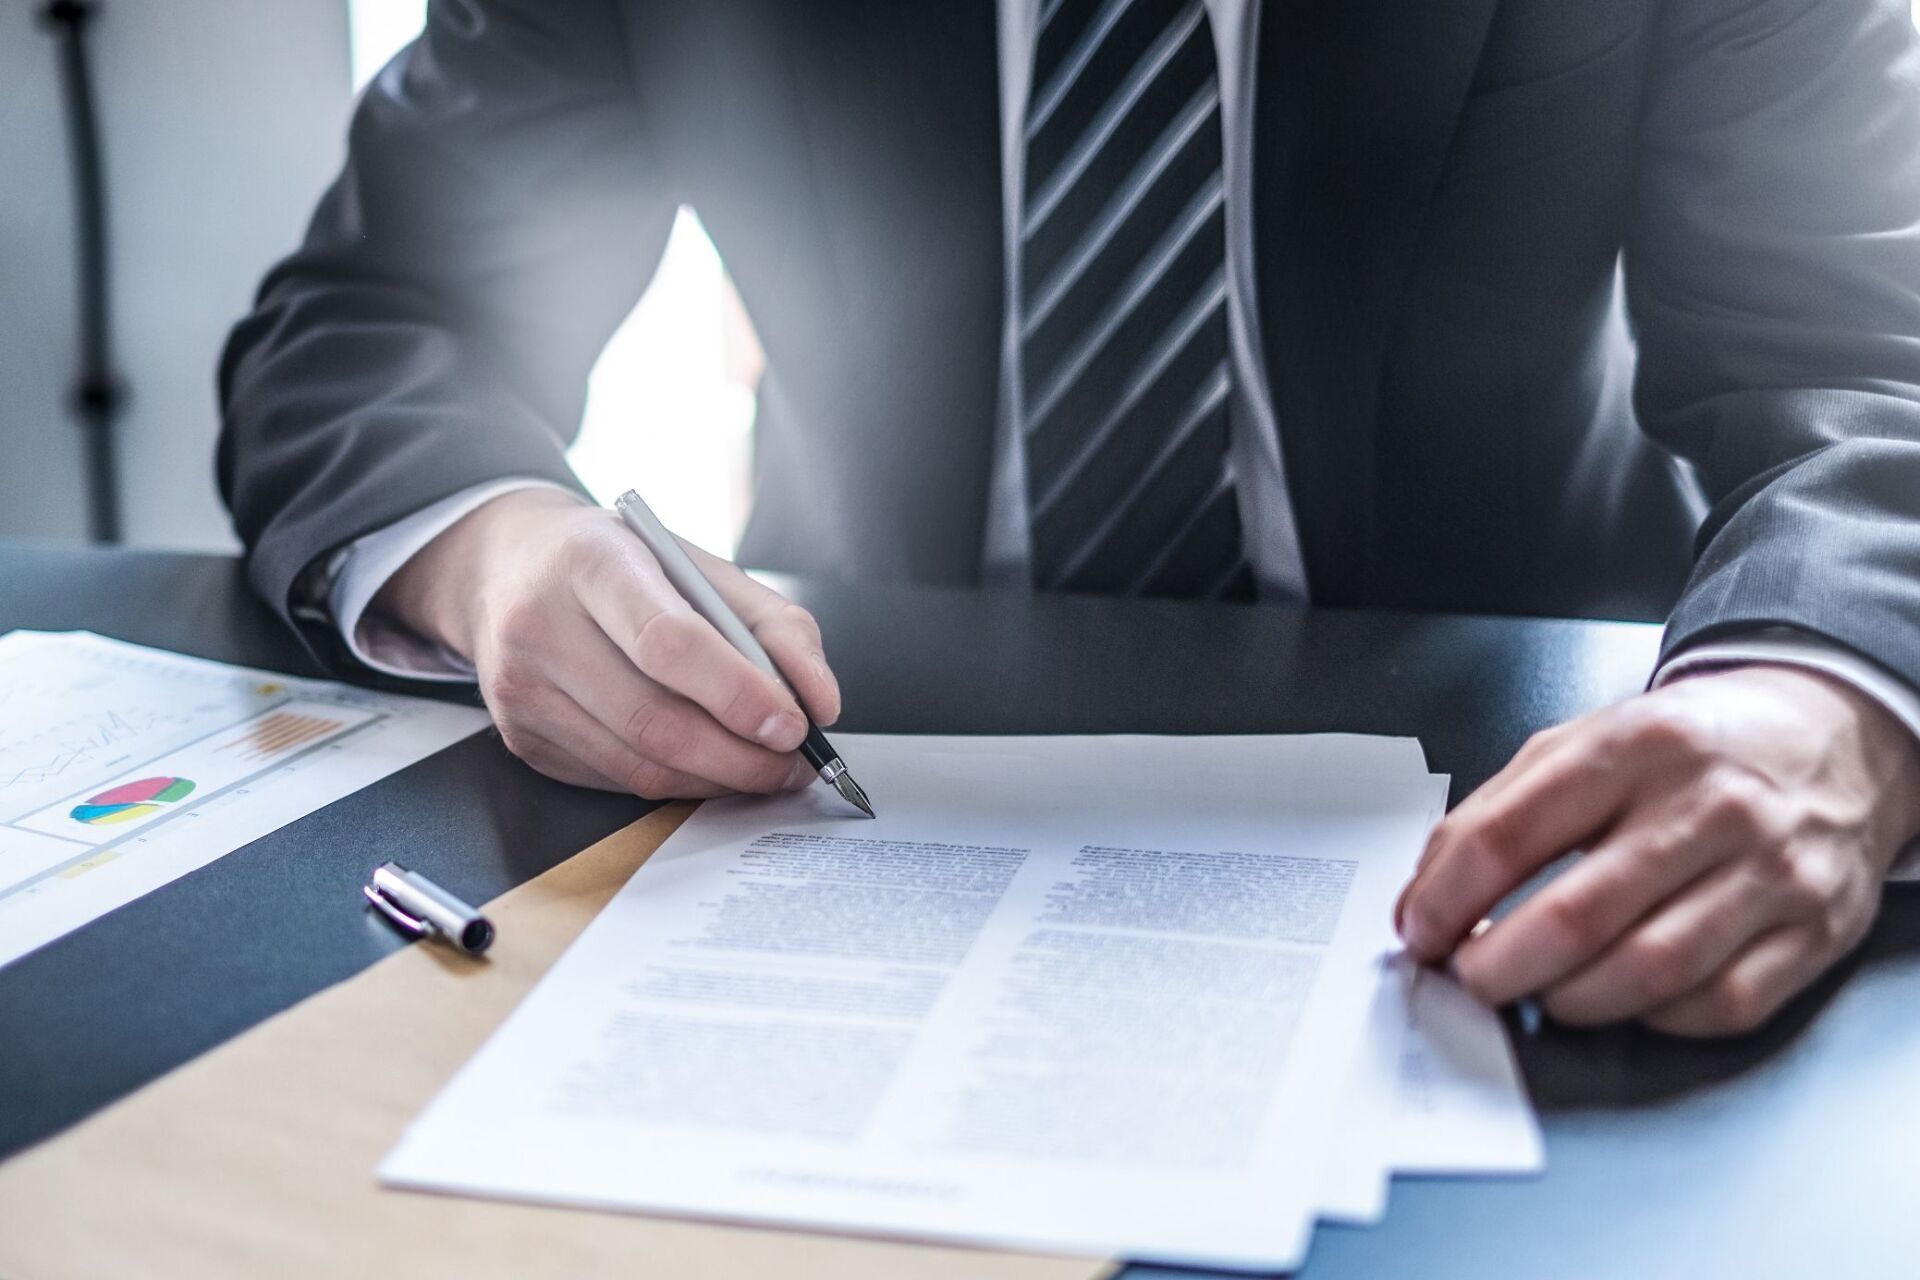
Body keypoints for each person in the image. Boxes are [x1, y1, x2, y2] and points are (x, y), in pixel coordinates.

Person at [220, 0, 1920, 1036]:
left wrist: (1816, 695)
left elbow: (1868, 364)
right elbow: (374, 319)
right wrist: (492, 545)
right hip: (846, 758)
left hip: (1529, 798)